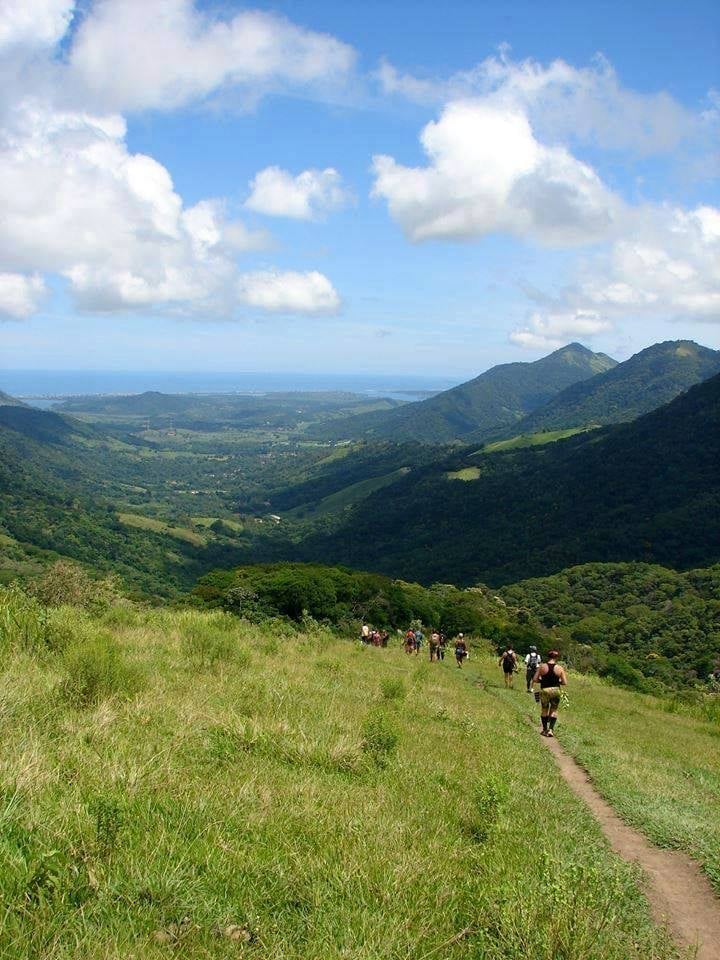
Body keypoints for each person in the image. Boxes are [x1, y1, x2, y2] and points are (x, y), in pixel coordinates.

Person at [533, 650, 567, 737]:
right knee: (554, 710)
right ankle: (551, 730)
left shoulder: (542, 667)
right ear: (556, 658)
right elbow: (564, 682)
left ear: (548, 656)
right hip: (556, 690)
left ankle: (544, 730)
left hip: (545, 690)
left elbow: (535, 679)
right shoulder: (560, 668)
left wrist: (542, 680)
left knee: (544, 709)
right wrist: (557, 682)